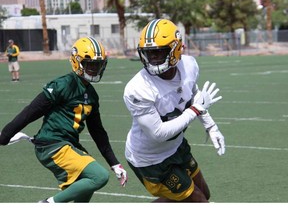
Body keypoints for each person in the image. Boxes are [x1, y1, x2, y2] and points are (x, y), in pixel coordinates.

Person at [0, 36, 128, 203]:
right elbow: (31, 112)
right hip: (52, 144)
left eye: (97, 65)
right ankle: (47, 204)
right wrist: (5, 135)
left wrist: (115, 163)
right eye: (89, 64)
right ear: (77, 62)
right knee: (99, 176)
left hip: (68, 145)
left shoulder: (92, 95)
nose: (94, 69)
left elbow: (98, 132)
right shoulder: (64, 84)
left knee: (83, 191)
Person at [123, 19, 225, 202]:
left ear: (177, 48)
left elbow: (194, 95)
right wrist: (194, 110)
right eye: (148, 53)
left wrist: (211, 126)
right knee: (199, 201)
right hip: (150, 159)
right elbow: (158, 133)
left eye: (159, 52)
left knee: (204, 194)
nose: (153, 59)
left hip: (176, 146)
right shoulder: (138, 88)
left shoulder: (189, 65)